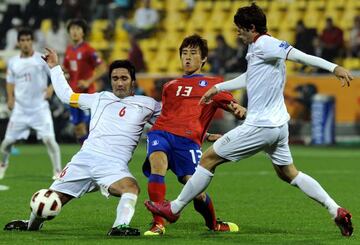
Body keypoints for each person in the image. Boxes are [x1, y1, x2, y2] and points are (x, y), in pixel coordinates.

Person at [144, 4, 354, 237]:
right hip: (278, 127)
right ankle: (335, 209)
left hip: (261, 126)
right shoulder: (257, 48)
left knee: (208, 158)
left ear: (252, 28)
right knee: (289, 173)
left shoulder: (267, 43)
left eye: (240, 29)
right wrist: (218, 88)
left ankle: (173, 208)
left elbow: (300, 56)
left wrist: (334, 67)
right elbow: (250, 76)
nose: (237, 34)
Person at [4, 48, 161, 236]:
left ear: (133, 81)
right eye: (115, 78)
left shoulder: (148, 104)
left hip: (113, 164)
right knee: (51, 198)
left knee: (131, 187)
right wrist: (54, 67)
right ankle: (31, 225)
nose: (119, 83)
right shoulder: (99, 98)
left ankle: (119, 227)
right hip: (85, 159)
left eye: (124, 78)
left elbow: (171, 121)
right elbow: (67, 96)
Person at [142, 34, 246, 236]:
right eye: (184, 53)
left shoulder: (213, 84)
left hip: (188, 142)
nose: (187, 57)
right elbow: (171, 115)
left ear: (204, 59)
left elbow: (230, 104)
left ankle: (213, 223)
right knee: (157, 163)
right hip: (161, 133)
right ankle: (157, 224)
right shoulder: (169, 86)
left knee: (196, 190)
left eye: (193, 53)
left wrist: (237, 108)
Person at [0, 28, 62, 180]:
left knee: (49, 140)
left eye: (28, 40)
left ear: (32, 41)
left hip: (40, 108)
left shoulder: (41, 59)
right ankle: (3, 165)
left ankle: (58, 172)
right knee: (7, 142)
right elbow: (10, 81)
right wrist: (10, 97)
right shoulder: (13, 62)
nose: (26, 43)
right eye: (23, 40)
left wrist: (50, 88)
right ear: (18, 43)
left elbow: (56, 73)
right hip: (20, 109)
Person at [63, 18, 107, 144]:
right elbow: (66, 68)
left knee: (86, 126)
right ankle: (85, 153)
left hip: (86, 94)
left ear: (83, 32)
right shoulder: (69, 50)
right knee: (78, 127)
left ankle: (92, 153)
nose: (74, 32)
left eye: (77, 29)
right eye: (72, 29)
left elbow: (102, 67)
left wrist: (88, 81)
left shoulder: (89, 50)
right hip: (73, 95)